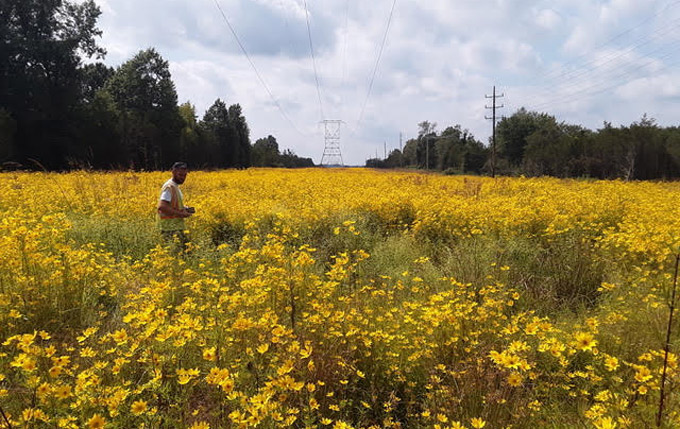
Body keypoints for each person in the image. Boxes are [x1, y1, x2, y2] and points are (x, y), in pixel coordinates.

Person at [157, 161, 195, 250]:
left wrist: (184, 208)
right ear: (173, 172)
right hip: (169, 229)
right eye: (180, 175)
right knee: (180, 253)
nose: (183, 178)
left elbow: (172, 204)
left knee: (185, 252)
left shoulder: (175, 186)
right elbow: (162, 207)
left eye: (184, 175)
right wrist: (181, 214)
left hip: (175, 228)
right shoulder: (169, 187)